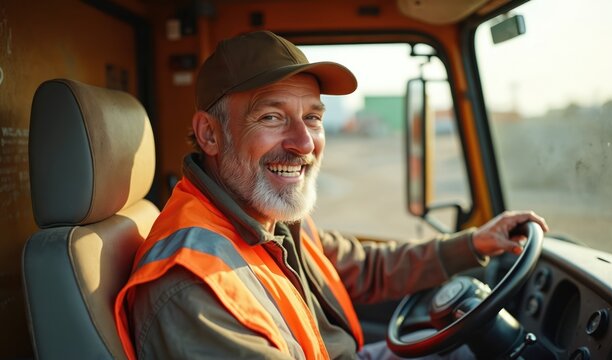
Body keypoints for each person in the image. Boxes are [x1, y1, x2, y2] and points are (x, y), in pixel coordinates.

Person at [114, 30, 548, 360]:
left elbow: (364, 267)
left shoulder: (266, 217)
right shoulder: (191, 284)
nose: (304, 143)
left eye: (313, 117)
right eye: (271, 116)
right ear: (210, 134)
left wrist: (473, 244)